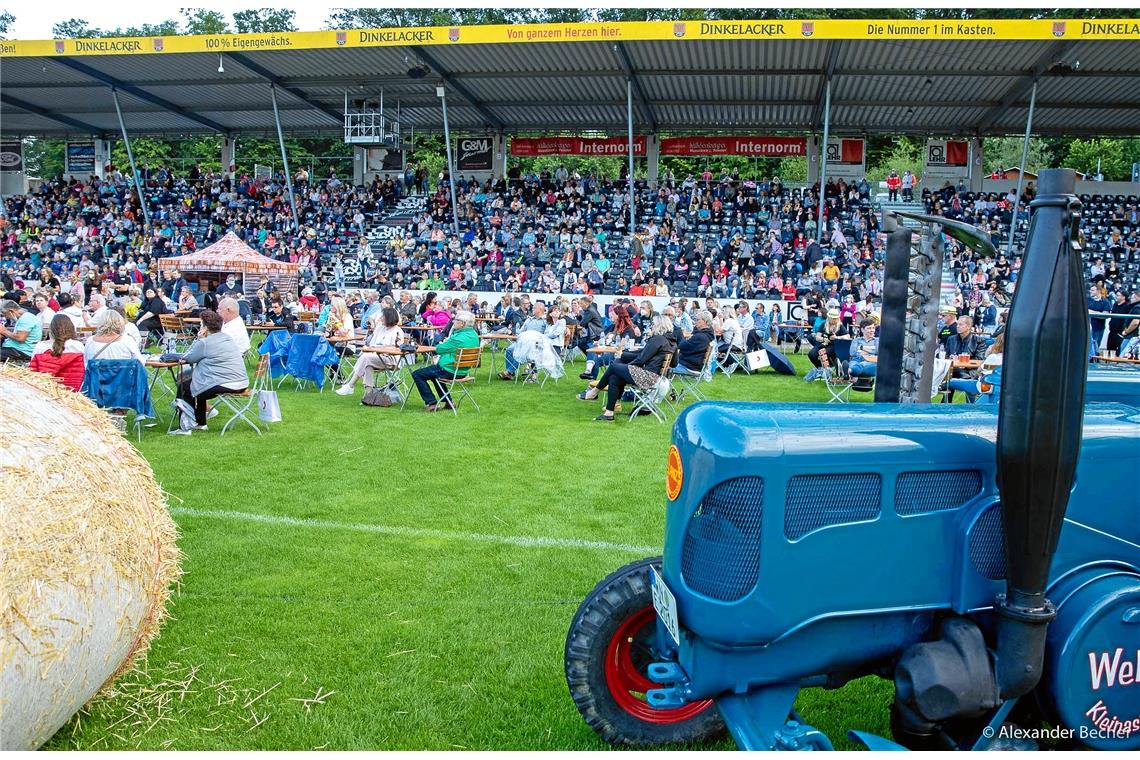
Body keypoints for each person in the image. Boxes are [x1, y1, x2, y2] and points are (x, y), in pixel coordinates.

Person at [578, 314, 677, 421]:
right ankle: (609, 413)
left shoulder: (657, 339)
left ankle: (594, 392)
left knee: (614, 366)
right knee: (615, 377)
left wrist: (626, 366)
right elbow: (674, 363)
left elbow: (641, 360)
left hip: (648, 377)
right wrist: (625, 356)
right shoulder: (672, 342)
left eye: (653, 324)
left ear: (659, 325)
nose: (651, 326)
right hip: (656, 377)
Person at [170, 310, 249, 435]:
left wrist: (200, 339)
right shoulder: (228, 338)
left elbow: (190, 358)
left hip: (225, 382)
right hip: (242, 381)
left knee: (186, 386)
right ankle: (201, 423)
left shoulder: (205, 342)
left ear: (205, 327)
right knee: (197, 386)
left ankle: (186, 424)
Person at [412, 310, 480, 412]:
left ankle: (431, 403)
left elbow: (439, 349)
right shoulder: (473, 334)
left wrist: (442, 345)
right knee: (434, 374)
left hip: (450, 370)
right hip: (463, 370)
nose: (453, 322)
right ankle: (448, 401)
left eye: (456, 320)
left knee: (417, 374)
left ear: (462, 324)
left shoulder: (458, 338)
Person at [336, 307, 405, 396]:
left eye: (383, 316)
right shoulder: (380, 328)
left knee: (365, 357)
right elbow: (372, 344)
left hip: (391, 360)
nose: (380, 318)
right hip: (375, 357)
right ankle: (369, 396)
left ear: (389, 317)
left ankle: (350, 385)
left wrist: (379, 349)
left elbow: (397, 348)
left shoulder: (398, 331)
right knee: (368, 365)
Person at [29, 314, 85, 391]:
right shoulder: (77, 346)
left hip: (44, 391)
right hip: (72, 391)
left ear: (51, 329)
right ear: (71, 328)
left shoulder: (40, 346)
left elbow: (31, 370)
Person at [943, 314, 988, 403]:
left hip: (970, 371)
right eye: (957, 324)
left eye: (960, 325)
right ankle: (946, 403)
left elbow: (979, 360)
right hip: (953, 370)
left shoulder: (979, 341)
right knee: (951, 374)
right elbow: (946, 356)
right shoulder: (951, 339)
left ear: (968, 327)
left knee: (956, 374)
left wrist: (963, 363)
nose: (957, 326)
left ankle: (970, 403)